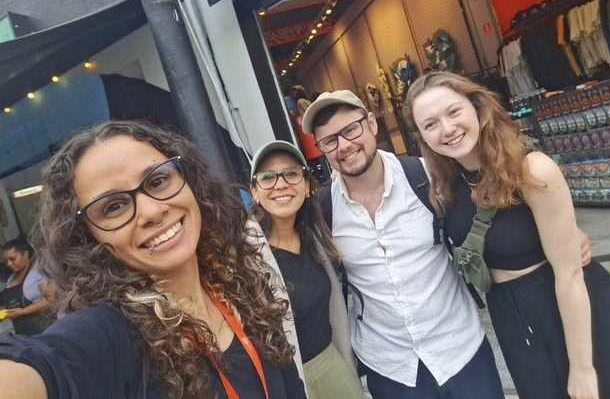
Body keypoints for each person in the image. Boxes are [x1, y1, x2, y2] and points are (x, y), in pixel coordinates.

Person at [0, 120, 306, 399]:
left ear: (191, 181)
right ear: (88, 238)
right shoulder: (113, 335)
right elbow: (48, 366)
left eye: (158, 181)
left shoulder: (237, 282)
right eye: (113, 207)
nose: (152, 211)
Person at [403, 71, 610, 399]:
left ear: (477, 107)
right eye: (430, 124)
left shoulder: (530, 168)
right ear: (421, 135)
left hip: (570, 310)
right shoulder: (444, 183)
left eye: (454, 112)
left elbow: (570, 275)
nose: (447, 129)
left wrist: (582, 368)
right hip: (509, 315)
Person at [301, 90, 506, 399]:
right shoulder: (322, 210)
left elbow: (491, 196)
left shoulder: (427, 176)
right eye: (330, 141)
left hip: (462, 352)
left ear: (372, 123)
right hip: (390, 368)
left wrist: (557, 232)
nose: (343, 146)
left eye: (351, 130)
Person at [247, 140, 366, 399]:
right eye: (268, 177)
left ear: (307, 184)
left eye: (291, 173)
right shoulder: (244, 257)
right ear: (254, 191)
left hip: (334, 369)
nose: (281, 184)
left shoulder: (314, 236)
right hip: (290, 386)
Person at [0, 236, 53, 335]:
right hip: (23, 333)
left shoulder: (39, 271)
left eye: (12, 259)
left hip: (44, 330)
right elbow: (15, 302)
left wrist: (24, 311)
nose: (9, 264)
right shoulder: (12, 278)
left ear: (25, 254)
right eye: (6, 261)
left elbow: (51, 299)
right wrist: (5, 310)